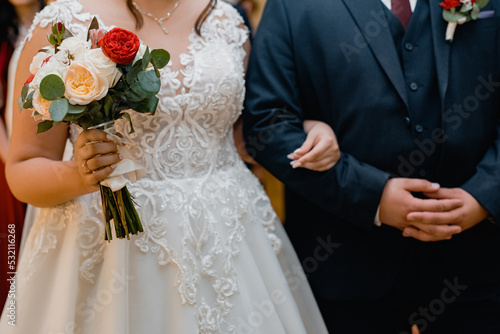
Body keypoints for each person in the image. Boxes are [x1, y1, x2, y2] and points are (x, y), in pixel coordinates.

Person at [0, 0, 334, 332]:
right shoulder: (64, 23)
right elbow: (23, 168)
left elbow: (242, 134)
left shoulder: (226, 20)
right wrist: (80, 173)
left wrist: (304, 132)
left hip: (230, 239)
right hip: (115, 248)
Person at [243, 0, 500, 333]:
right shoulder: (292, 6)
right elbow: (267, 125)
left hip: (477, 267)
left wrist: (485, 195)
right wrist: (371, 196)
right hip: (347, 268)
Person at [0, 0, 44, 312]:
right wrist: (14, 161)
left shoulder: (56, 22)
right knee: (12, 249)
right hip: (9, 158)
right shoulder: (4, 36)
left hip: (51, 159)